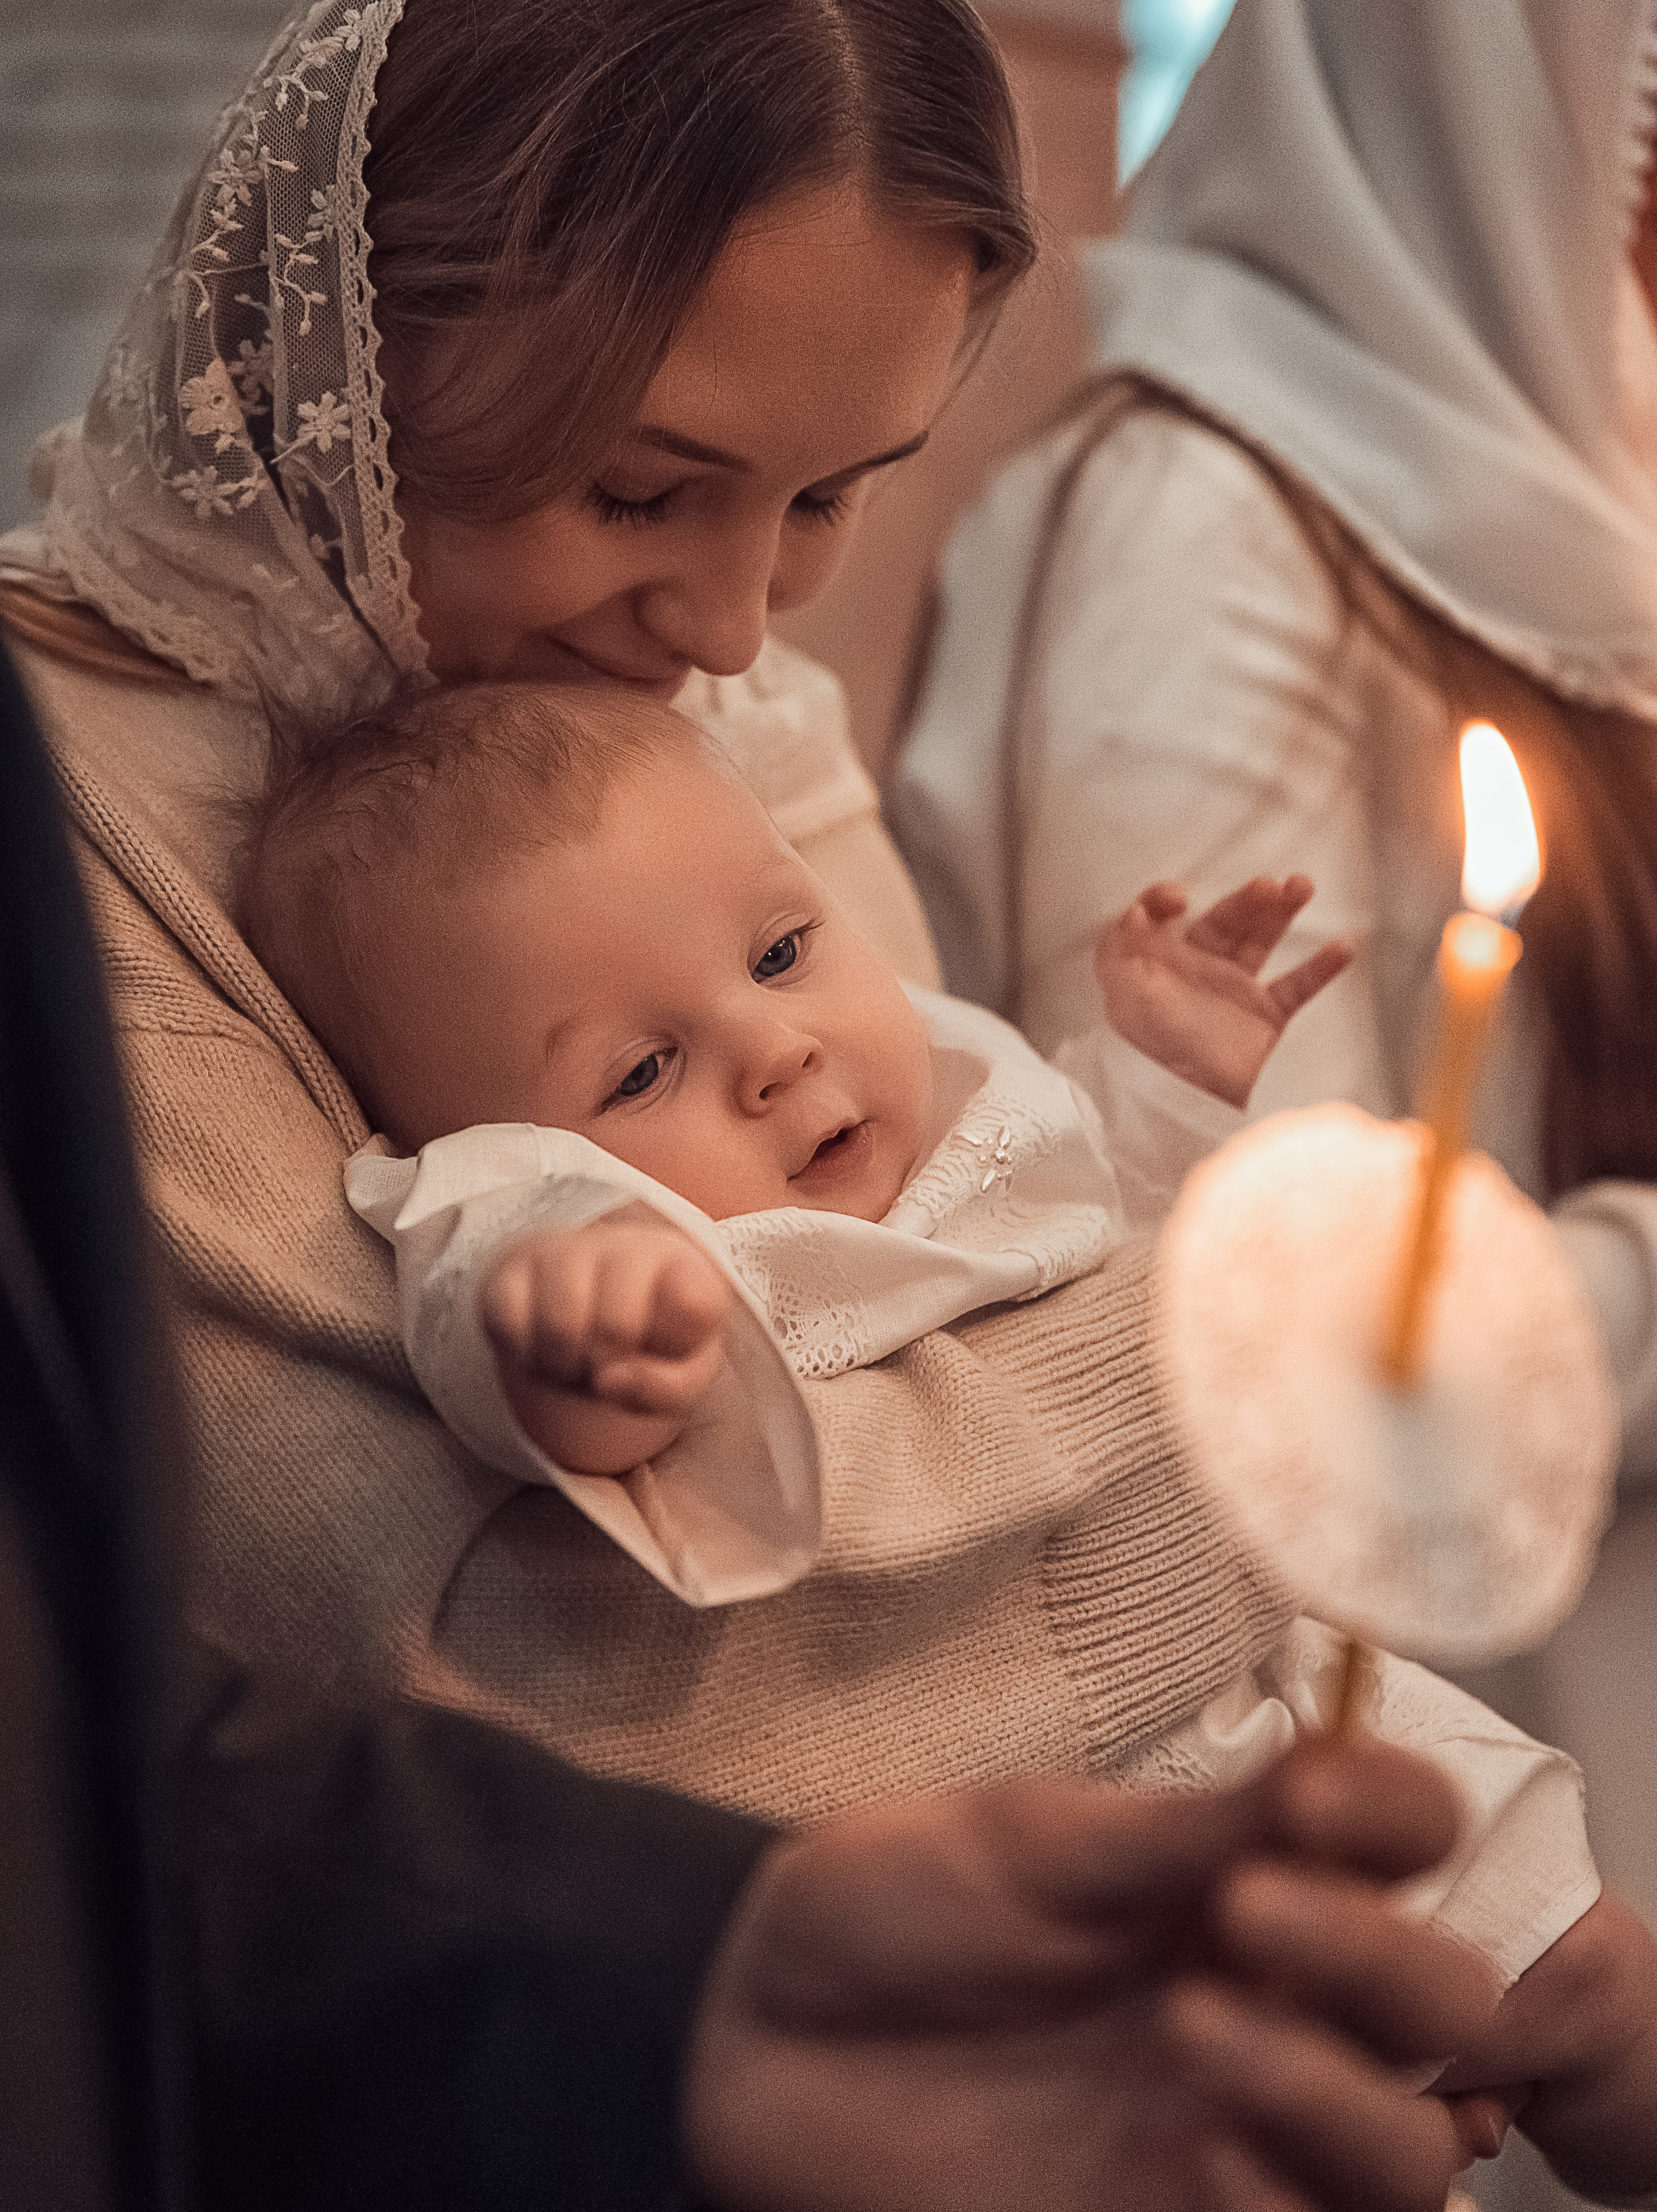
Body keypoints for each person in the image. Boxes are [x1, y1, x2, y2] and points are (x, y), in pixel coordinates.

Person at [0, 0, 1528, 2205]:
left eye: (828, 496)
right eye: (642, 489)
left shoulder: (724, 719)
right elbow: (514, 1683)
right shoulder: (65, 819)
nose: (735, 626)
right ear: (355, 335)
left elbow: (956, 1258)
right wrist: (1216, 1415)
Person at [0, 629, 1518, 2212]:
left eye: (783, 950)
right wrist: (576, 1342)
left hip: (1244, 1660)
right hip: (1020, 1768)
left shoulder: (928, 1067)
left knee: (1548, 1930)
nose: (772, 1043)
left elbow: (1065, 1216)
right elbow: (480, 1282)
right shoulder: (547, 1202)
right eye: (642, 1065)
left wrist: (1165, 1084)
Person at [893, 0, 1657, 1951]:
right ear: (1512, 31)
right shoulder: (1203, 529)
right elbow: (1261, 1337)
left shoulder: (1566, 486)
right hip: (1449, 1816)